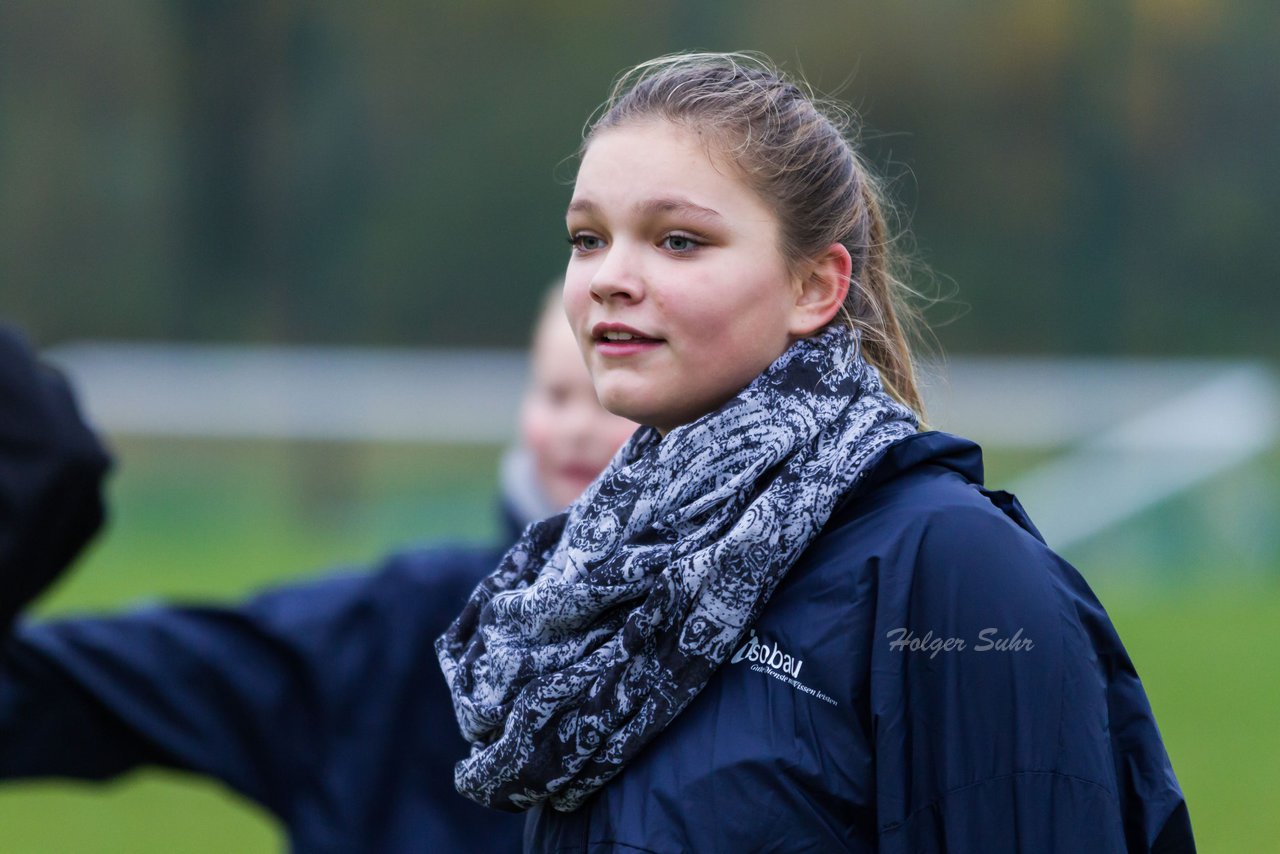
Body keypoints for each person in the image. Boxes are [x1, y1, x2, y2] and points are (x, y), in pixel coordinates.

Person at [437, 52, 1196, 853]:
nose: (610, 278)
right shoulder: (604, 565)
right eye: (588, 238)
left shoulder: (958, 574)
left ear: (813, 288)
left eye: (680, 240)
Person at [0, 291, 636, 853]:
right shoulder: (396, 628)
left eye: (613, 399)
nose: (577, 428)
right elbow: (84, 687)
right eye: (556, 394)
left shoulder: (728, 660)